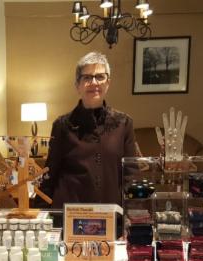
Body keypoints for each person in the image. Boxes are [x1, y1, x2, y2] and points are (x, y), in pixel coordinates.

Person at [40, 52, 138, 208]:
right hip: (71, 213)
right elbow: (50, 174)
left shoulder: (124, 124)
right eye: (87, 77)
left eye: (100, 77)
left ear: (108, 83)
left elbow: (131, 175)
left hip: (112, 214)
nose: (94, 83)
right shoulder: (62, 125)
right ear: (77, 85)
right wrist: (42, 215)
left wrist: (133, 216)